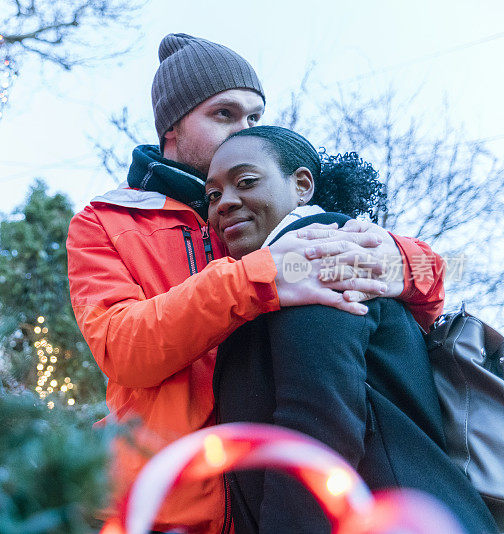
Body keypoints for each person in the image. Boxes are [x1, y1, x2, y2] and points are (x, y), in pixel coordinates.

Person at [66, 33, 445, 533]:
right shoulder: (105, 222)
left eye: (253, 117)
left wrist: (403, 261)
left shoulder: (276, 212)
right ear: (172, 127)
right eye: (224, 114)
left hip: (278, 500)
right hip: (169, 508)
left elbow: (439, 277)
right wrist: (259, 275)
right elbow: (122, 347)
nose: (241, 129)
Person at [208, 126, 497, 533]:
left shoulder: (320, 252)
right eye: (213, 194)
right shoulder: (273, 277)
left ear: (302, 184)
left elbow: (315, 426)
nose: (224, 203)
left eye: (245, 182)